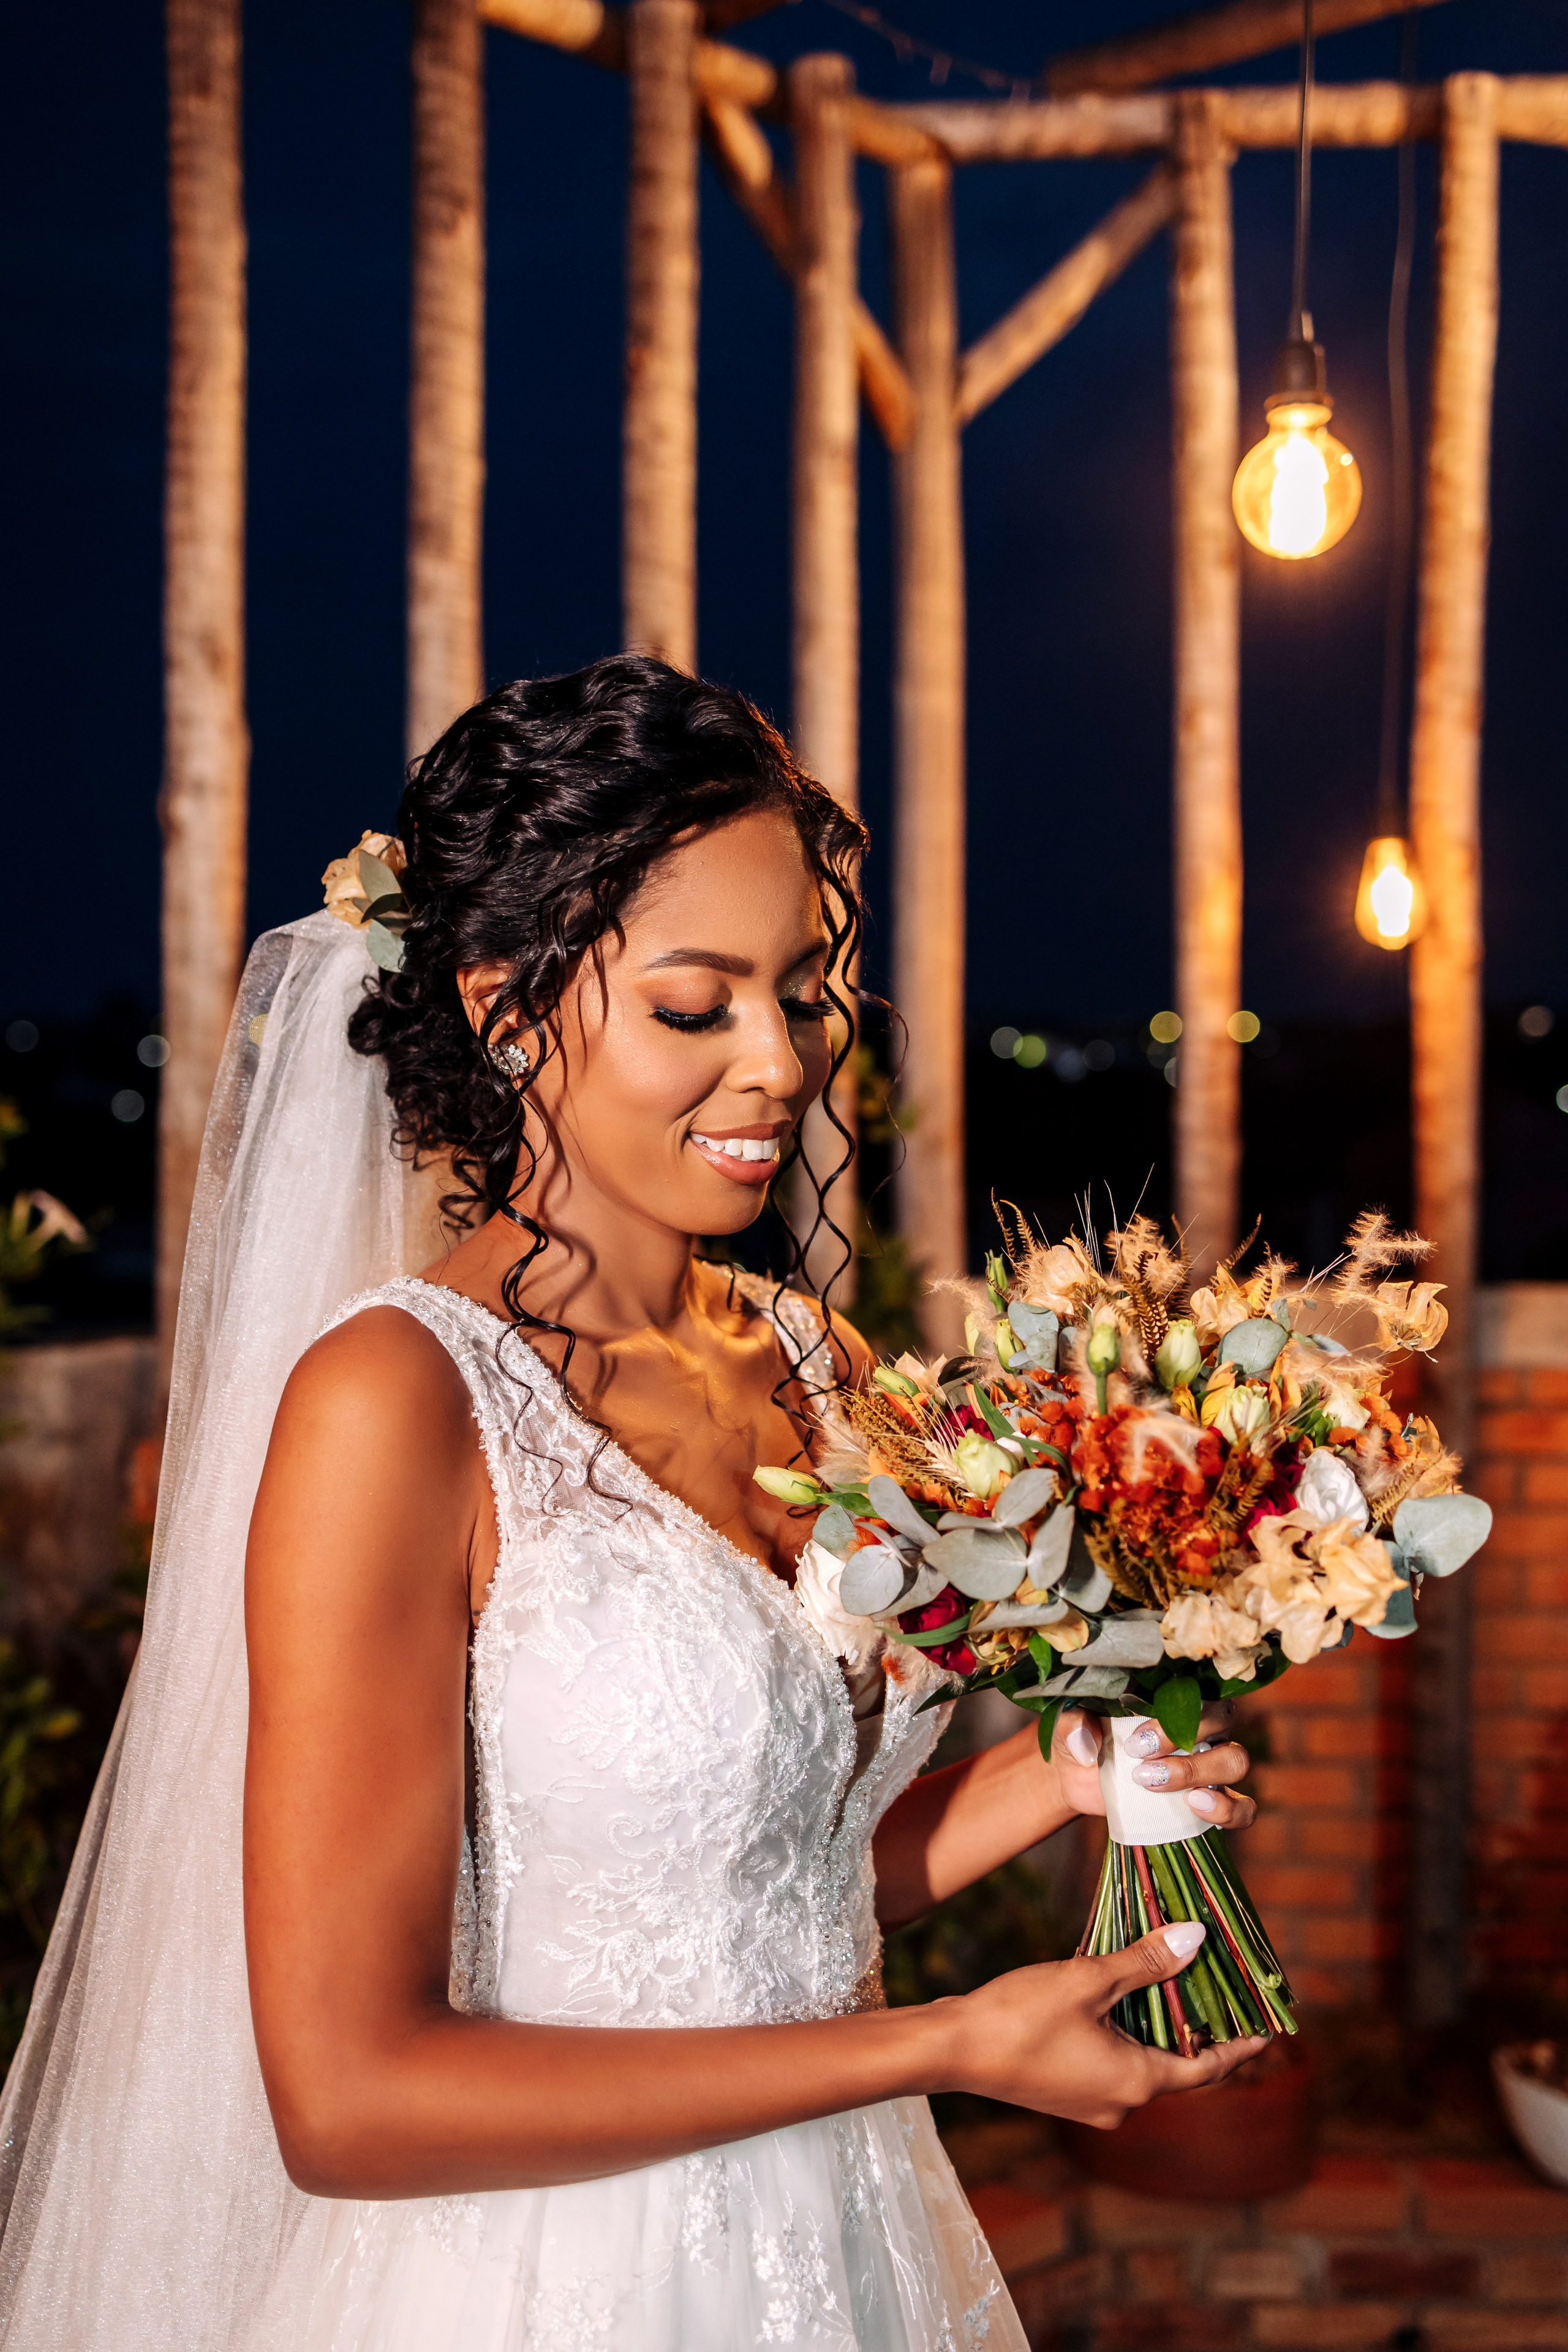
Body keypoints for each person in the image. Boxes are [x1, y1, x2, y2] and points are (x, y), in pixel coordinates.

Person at [0, 658, 1262, 2351]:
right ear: (508, 1011)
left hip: (847, 2246)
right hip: (547, 2281)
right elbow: (349, 2095)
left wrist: (1063, 1771)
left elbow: (769, 1898)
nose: (779, 1066)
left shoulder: (818, 1361)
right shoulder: (399, 1406)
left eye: (802, 994)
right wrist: (946, 2044)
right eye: (697, 1005)